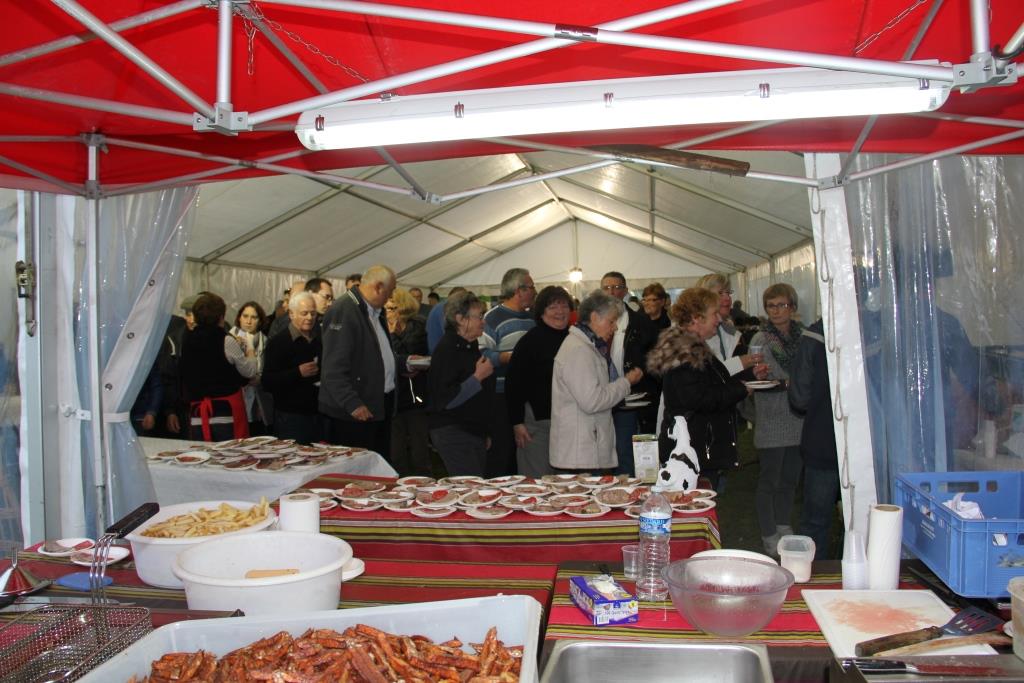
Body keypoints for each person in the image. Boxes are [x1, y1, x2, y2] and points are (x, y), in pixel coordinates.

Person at [647, 288, 757, 489]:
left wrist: (749, 378)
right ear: (696, 318)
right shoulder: (684, 352)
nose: (718, 319)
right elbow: (698, 398)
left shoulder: (691, 348)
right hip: (690, 449)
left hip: (695, 445)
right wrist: (742, 390)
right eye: (714, 314)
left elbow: (715, 382)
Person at [319, 265, 409, 456]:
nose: (391, 297)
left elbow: (377, 355)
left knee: (377, 465)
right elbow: (333, 368)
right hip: (355, 412)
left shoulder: (374, 312)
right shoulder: (344, 310)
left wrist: (402, 363)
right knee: (358, 470)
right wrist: (352, 403)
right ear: (378, 287)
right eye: (390, 290)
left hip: (377, 404)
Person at [550, 290, 643, 472]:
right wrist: (626, 382)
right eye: (611, 321)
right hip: (582, 454)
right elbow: (593, 401)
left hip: (585, 450)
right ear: (594, 317)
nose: (615, 327)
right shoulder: (579, 351)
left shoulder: (588, 346)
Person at [749, 283, 805, 556]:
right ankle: (768, 533)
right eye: (771, 305)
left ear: (792, 307)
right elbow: (756, 376)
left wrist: (788, 382)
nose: (776, 311)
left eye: (781, 305)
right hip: (771, 419)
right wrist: (764, 377)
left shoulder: (803, 337)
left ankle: (784, 526)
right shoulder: (760, 339)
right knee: (769, 480)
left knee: (790, 480)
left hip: (797, 417)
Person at [505, 286, 573, 478]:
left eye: (564, 306)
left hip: (569, 423)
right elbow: (513, 384)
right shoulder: (530, 342)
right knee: (537, 480)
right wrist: (517, 423)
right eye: (553, 307)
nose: (560, 312)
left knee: (566, 481)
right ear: (541, 312)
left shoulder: (575, 338)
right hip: (537, 425)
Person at [428, 291, 495, 476]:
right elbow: (446, 399)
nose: (483, 321)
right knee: (470, 488)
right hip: (453, 431)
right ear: (460, 319)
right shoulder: (447, 350)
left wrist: (483, 432)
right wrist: (477, 377)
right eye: (478, 317)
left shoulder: (469, 345)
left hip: (471, 430)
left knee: (475, 486)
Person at [790, 318, 840, 560]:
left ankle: (811, 579)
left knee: (815, 523)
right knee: (872, 519)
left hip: (824, 438)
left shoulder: (814, 336)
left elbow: (799, 397)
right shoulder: (885, 325)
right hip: (872, 445)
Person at [600, 271, 658, 475]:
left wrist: (639, 372)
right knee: (602, 453)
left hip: (629, 398)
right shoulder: (592, 323)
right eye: (607, 288)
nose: (612, 291)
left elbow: (654, 359)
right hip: (599, 397)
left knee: (625, 450)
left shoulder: (641, 323)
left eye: (616, 287)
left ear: (625, 291)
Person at [480, 268, 537, 477]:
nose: (534, 291)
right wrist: (506, 357)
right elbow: (482, 355)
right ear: (519, 290)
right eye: (531, 287)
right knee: (501, 450)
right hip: (499, 395)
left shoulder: (532, 318)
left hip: (525, 395)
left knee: (521, 449)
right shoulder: (492, 318)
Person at [180, 293, 259, 441]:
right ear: (221, 317)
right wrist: (249, 349)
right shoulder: (226, 340)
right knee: (231, 458)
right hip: (226, 412)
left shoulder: (187, 341)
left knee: (203, 456)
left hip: (197, 412)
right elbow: (249, 371)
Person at [262, 292, 323, 444]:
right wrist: (297, 372)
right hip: (290, 417)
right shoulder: (278, 343)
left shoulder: (319, 339)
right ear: (291, 314)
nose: (309, 318)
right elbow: (267, 381)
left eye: (313, 313)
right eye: (304, 313)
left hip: (318, 414)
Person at [387, 287, 431, 477]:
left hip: (416, 395)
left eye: (392, 308)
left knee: (419, 449)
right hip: (394, 395)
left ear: (403, 307)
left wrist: (395, 335)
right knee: (396, 451)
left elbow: (413, 352)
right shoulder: (381, 327)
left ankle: (426, 485)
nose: (388, 312)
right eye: (386, 308)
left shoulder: (418, 325)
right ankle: (400, 485)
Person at [695, 273, 761, 376]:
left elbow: (727, 376)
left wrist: (753, 373)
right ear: (704, 298)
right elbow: (703, 376)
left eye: (728, 293)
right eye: (720, 293)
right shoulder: (693, 333)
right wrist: (740, 363)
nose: (727, 299)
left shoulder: (728, 332)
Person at [229, 301, 271, 434]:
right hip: (235, 396)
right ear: (239, 318)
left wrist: (261, 378)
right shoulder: (229, 339)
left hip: (259, 398)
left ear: (260, 320)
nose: (248, 321)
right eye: (245, 316)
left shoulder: (266, 341)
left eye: (254, 317)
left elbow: (269, 369)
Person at [427, 287, 465, 353]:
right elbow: (448, 332)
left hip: (436, 350)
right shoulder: (445, 308)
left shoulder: (439, 306)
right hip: (440, 352)